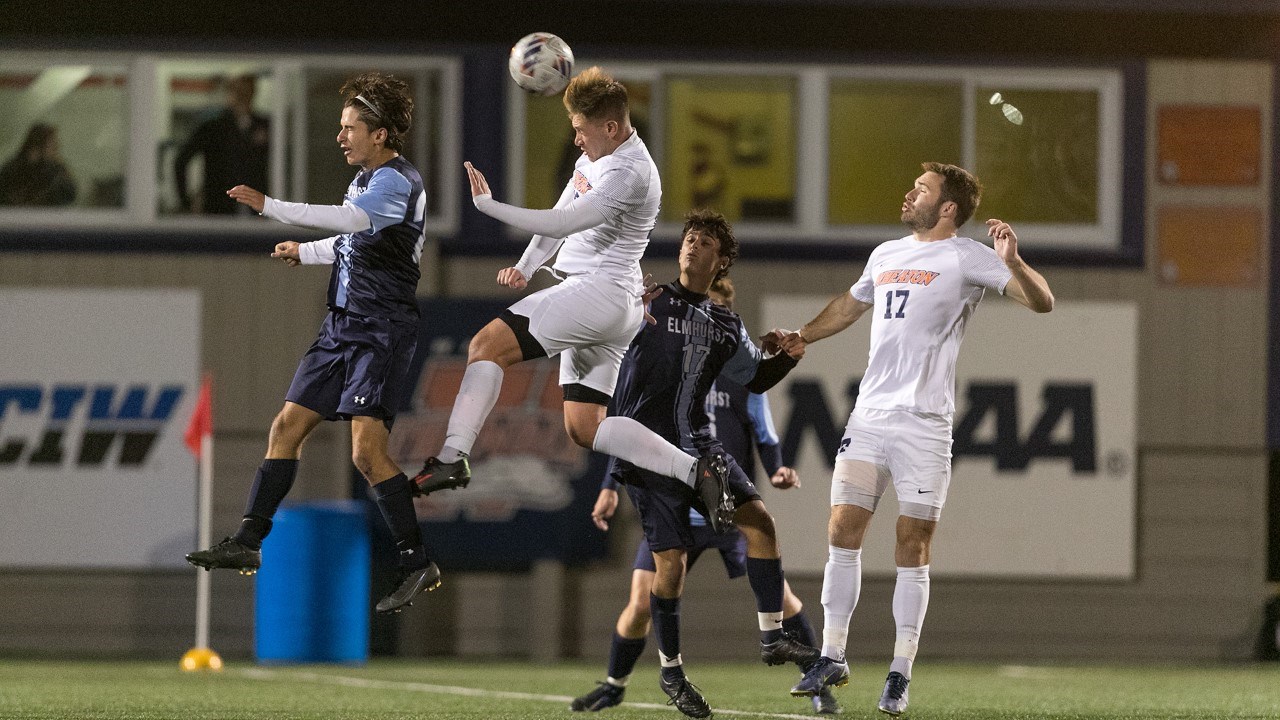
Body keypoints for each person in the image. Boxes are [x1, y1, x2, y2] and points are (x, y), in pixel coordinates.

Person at [772, 162, 1055, 716]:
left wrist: (1014, 262)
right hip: (871, 416)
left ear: (948, 208)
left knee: (912, 545)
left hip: (924, 425)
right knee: (842, 529)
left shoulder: (968, 256)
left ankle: (900, 671)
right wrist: (801, 336)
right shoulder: (886, 254)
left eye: (922, 189)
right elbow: (851, 306)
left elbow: (1043, 302)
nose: (910, 193)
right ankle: (833, 653)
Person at [413, 66, 736, 534]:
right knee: (584, 427)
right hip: (610, 300)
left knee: (485, 346)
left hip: (597, 293)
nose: (577, 140)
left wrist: (489, 208)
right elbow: (561, 215)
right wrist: (526, 267)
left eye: (582, 131)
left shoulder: (631, 172)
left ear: (610, 127)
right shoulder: (597, 155)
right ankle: (697, 471)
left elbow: (563, 225)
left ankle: (452, 457)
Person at [185, 72, 439, 615]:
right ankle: (248, 542)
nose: (341, 136)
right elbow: (353, 240)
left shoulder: (397, 180)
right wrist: (308, 254)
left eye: (351, 127)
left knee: (367, 455)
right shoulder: (368, 178)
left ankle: (417, 563)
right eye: (341, 126)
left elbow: (352, 220)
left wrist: (271, 205)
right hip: (342, 325)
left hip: (381, 328)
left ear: (381, 134)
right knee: (286, 426)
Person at [571, 277, 841, 716]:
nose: (697, 326)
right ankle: (615, 683)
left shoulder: (740, 376)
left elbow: (764, 432)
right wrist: (609, 487)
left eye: (711, 315)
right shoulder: (661, 364)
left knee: (782, 594)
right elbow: (628, 430)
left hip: (720, 502)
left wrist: (776, 469)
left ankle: (815, 685)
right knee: (640, 601)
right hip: (670, 491)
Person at [173, 74, 270, 215]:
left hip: (258, 211)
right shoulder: (212, 128)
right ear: (230, 93)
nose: (243, 96)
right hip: (218, 211)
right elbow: (181, 161)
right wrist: (185, 202)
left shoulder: (266, 126)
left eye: (247, 91)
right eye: (238, 91)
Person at [0, 123, 76, 206]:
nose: (56, 147)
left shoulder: (55, 169)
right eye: (52, 143)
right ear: (39, 145)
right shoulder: (15, 168)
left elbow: (69, 194)